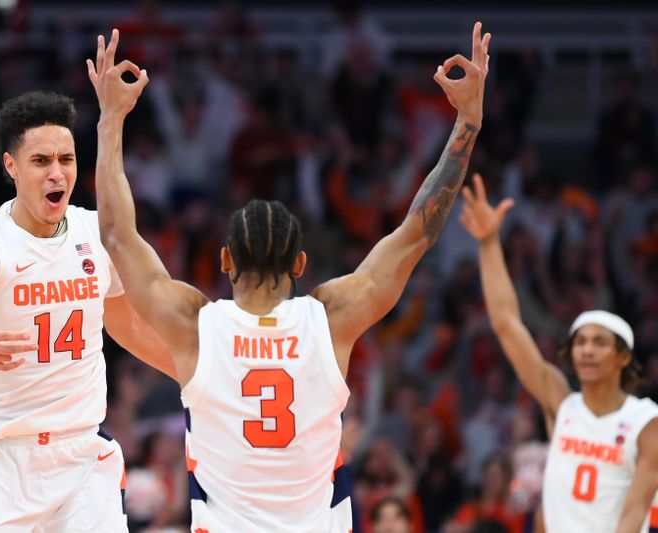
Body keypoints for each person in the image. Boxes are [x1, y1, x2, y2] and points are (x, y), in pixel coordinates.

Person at [89, 23, 489, 532]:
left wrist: (111, 119)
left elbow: (118, 235)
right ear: (300, 265)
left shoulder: (194, 325)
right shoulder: (331, 317)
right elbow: (417, 232)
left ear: (225, 261)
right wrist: (468, 121)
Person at [0, 91, 174, 531]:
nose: (57, 173)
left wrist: (199, 378)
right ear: (11, 166)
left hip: (82, 456)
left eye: (66, 159)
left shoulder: (96, 232)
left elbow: (127, 325)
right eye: (40, 161)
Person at [459, 173, 658, 533]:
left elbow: (635, 511)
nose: (586, 350)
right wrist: (489, 244)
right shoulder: (561, 404)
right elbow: (507, 324)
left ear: (623, 357)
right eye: (580, 342)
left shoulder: (647, 420)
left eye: (599, 343)